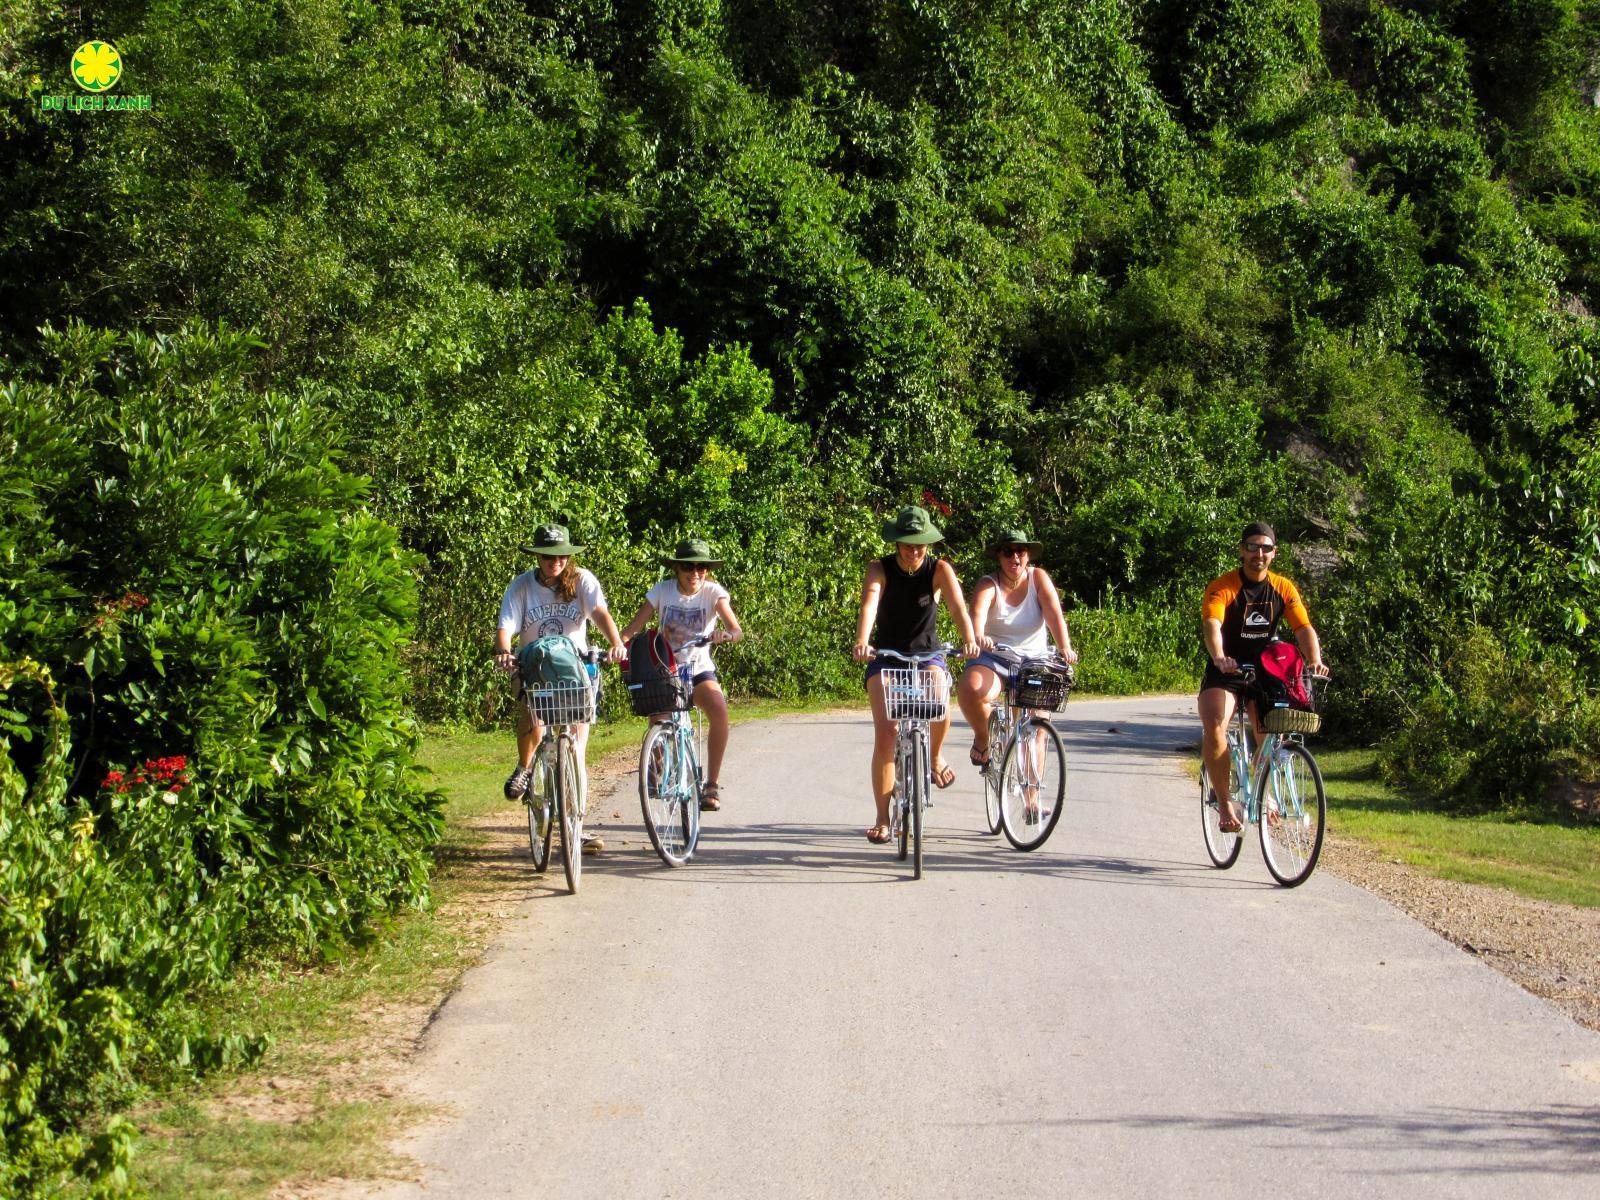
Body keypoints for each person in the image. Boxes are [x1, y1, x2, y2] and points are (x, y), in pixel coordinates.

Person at [852, 505, 980, 845]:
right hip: (887, 656)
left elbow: (956, 606)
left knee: (940, 705)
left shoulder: (940, 569)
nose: (914, 551)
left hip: (928, 656)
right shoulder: (879, 568)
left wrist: (968, 640)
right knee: (887, 731)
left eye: (920, 544)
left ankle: (935, 756)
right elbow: (870, 604)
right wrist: (863, 641)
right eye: (908, 544)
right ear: (897, 543)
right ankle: (882, 818)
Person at [495, 523, 626, 853]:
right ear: (537, 556)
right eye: (548, 556)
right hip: (534, 666)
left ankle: (575, 825)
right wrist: (504, 653)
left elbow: (598, 612)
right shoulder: (522, 586)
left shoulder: (582, 581)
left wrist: (615, 643)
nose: (555, 562)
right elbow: (506, 627)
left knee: (577, 750)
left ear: (569, 556)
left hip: (573, 670)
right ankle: (525, 769)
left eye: (561, 556)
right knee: (531, 713)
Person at [1199, 521, 1329, 832]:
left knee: (1272, 736)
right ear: (1242, 551)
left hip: (1266, 669)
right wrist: (1219, 657)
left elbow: (1303, 628)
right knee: (1216, 725)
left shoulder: (1283, 588)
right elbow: (1212, 624)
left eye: (1266, 548)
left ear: (1274, 553)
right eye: (1253, 547)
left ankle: (1261, 790)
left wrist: (1315, 660)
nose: (1259, 553)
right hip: (1227, 668)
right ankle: (1226, 806)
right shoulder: (1224, 586)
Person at [618, 537, 745, 811]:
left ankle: (711, 784)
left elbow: (736, 628)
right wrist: (618, 645)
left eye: (701, 567)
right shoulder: (662, 591)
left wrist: (726, 634)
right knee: (658, 719)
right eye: (688, 567)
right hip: (664, 669)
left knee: (720, 713)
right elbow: (634, 627)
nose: (695, 573)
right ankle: (657, 771)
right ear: (677, 568)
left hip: (698, 667)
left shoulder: (713, 593)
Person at [956, 528, 1079, 768]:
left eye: (1021, 552)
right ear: (999, 557)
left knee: (1038, 728)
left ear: (1028, 555)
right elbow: (977, 614)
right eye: (1008, 552)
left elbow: (1054, 614)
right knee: (972, 689)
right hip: (995, 658)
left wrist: (1065, 646)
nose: (1015, 558)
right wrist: (978, 636)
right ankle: (983, 737)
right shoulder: (988, 584)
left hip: (1034, 662)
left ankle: (1032, 801)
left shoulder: (1039, 578)